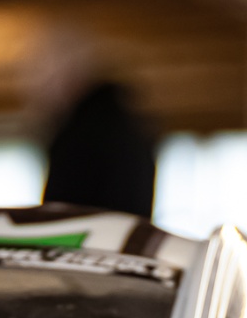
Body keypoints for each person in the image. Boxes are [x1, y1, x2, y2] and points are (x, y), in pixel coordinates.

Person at [26, 25, 157, 219]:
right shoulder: (126, 121)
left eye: (40, 72)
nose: (33, 85)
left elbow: (63, 216)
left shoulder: (82, 133)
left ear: (69, 70)